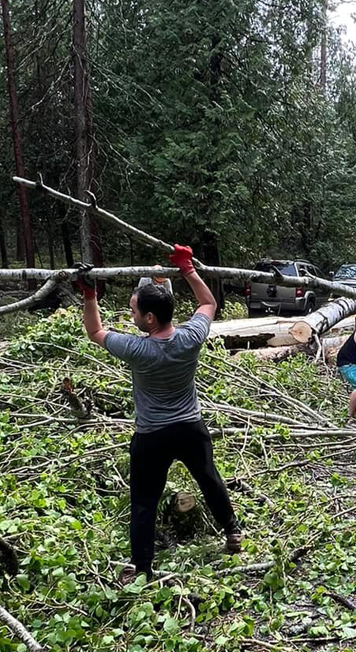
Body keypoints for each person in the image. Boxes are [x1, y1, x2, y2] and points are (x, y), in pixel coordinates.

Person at [77, 244, 240, 585]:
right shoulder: (190, 337)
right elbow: (208, 303)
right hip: (190, 429)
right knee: (209, 479)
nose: (132, 314)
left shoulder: (137, 348)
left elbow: (94, 332)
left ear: (149, 318)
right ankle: (232, 532)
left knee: (144, 501)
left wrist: (90, 294)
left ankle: (142, 568)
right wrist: (187, 269)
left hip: (152, 437)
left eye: (135, 310)